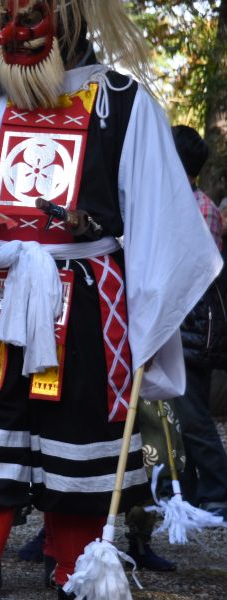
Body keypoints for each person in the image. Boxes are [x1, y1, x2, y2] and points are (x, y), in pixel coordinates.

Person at [0, 1, 222, 599]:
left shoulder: (121, 101)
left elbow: (162, 215)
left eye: (29, 15)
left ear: (70, 19)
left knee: (80, 429)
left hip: (87, 298)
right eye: (1, 18)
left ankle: (74, 571)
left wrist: (148, 308)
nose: (12, 32)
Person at [170, 125, 227, 519]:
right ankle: (192, 492)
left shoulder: (197, 206)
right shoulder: (184, 201)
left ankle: (219, 489)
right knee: (181, 414)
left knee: (192, 416)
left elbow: (194, 271)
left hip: (193, 322)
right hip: (186, 322)